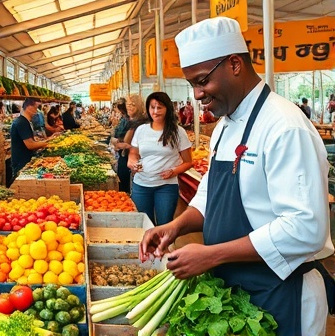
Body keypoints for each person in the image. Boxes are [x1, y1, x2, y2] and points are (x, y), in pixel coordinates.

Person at [139, 17, 332, 336]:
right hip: (237, 293)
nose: (198, 94)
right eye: (192, 85)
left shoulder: (284, 126)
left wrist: (212, 254)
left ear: (234, 64)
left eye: (202, 81)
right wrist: (175, 226)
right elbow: (209, 197)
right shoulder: (225, 127)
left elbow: (305, 228)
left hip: (282, 292)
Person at [127, 92, 192, 225]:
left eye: (160, 107)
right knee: (143, 225)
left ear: (167, 108)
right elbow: (133, 153)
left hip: (166, 187)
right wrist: (132, 162)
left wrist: (173, 171)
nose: (155, 111)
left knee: (164, 225)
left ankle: (163, 247)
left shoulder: (178, 132)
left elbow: (189, 162)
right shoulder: (141, 130)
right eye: (152, 107)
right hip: (141, 185)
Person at [10, 97, 51, 183]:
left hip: (23, 160)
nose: (37, 111)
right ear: (29, 107)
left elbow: (28, 140)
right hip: (22, 162)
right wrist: (47, 143)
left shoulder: (24, 121)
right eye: (36, 108)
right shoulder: (22, 122)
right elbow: (30, 145)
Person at [109, 98, 133, 193]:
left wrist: (117, 140)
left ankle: (124, 192)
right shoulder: (125, 118)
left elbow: (124, 135)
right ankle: (123, 190)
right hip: (122, 148)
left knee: (123, 172)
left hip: (125, 150)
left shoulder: (129, 120)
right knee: (122, 171)